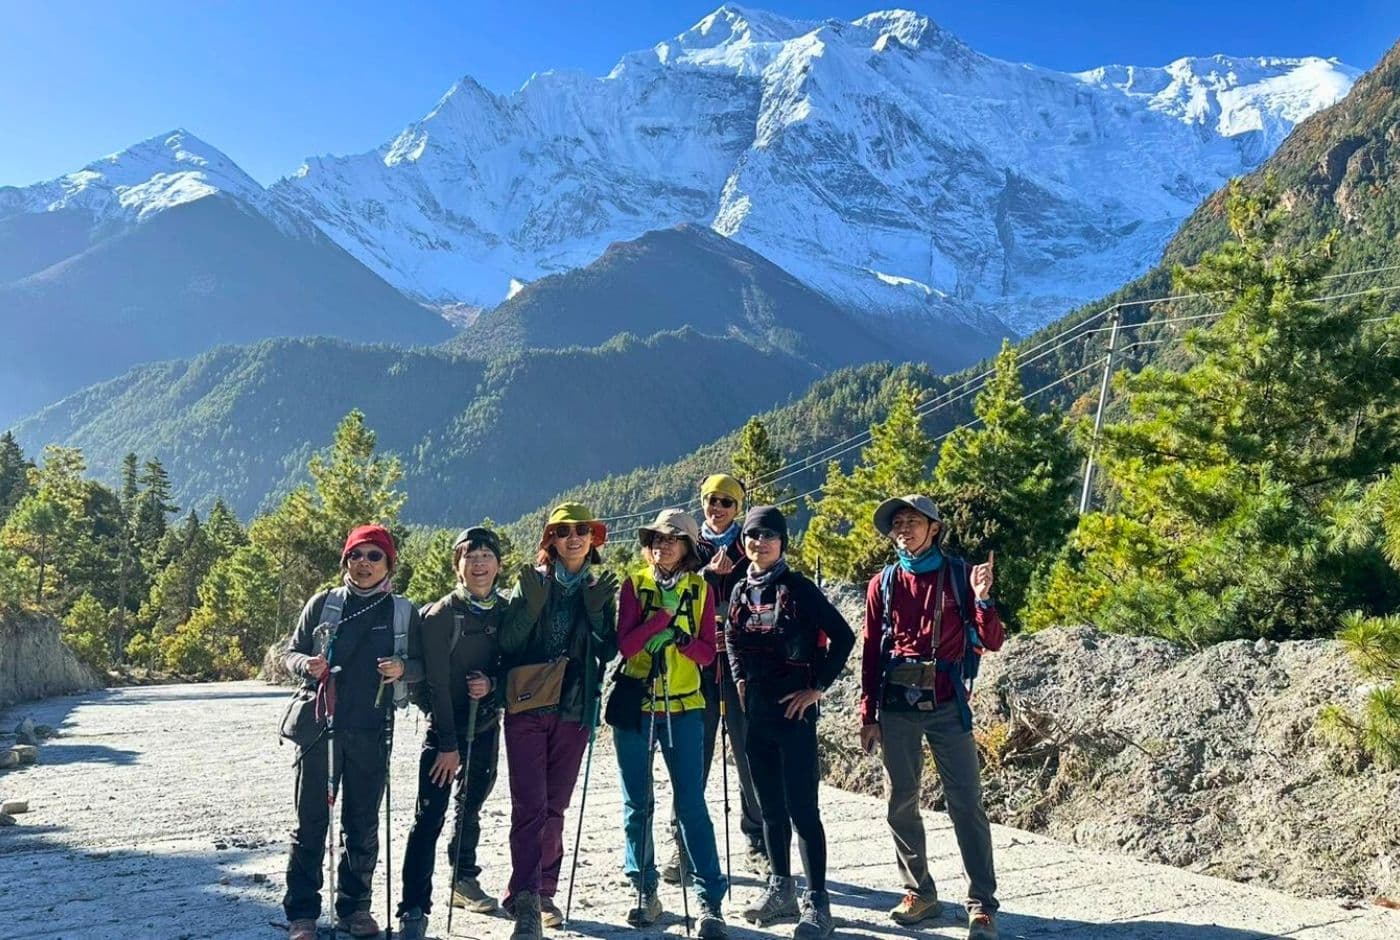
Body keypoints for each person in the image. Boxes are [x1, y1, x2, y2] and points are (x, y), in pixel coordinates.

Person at [860, 495, 1004, 940]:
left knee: (967, 804)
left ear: (934, 528)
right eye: (897, 523)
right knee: (900, 802)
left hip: (947, 705)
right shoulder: (882, 583)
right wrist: (868, 713)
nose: (903, 529)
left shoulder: (961, 576)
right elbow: (870, 651)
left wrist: (983, 600)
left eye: (913, 521)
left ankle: (981, 905)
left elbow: (993, 640)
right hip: (897, 706)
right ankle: (919, 892)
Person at [281, 524, 420, 940]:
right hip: (319, 729)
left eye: (375, 556)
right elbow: (291, 653)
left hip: (373, 730)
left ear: (389, 564)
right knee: (310, 822)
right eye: (356, 555)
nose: (364, 563)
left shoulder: (402, 612)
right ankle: (302, 914)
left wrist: (403, 669)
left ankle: (355, 909)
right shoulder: (323, 604)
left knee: (362, 824)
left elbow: (422, 667)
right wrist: (305, 665)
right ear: (346, 560)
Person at [725, 505, 854, 940]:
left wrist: (817, 687)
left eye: (768, 536)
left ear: (783, 542)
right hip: (757, 715)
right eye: (752, 535)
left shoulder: (799, 588)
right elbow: (731, 636)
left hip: (795, 715)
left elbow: (843, 636)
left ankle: (818, 902)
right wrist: (739, 679)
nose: (759, 543)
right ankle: (781, 889)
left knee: (803, 810)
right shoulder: (741, 589)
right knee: (770, 809)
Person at [499, 502, 618, 940]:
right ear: (550, 538)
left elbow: (607, 650)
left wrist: (598, 612)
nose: (573, 537)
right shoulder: (531, 583)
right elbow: (508, 645)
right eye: (563, 531)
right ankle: (527, 899)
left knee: (555, 808)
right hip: (528, 707)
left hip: (574, 709)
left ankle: (542, 891)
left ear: (592, 538)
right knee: (530, 805)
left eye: (581, 530)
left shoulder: (598, 588)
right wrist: (529, 608)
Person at [610, 508, 729, 938]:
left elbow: (707, 654)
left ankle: (709, 899)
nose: (662, 545)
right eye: (657, 538)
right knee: (637, 804)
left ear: (687, 548)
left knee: (691, 805)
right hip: (638, 706)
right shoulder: (634, 584)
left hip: (685, 707)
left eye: (672, 539)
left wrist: (679, 638)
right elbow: (626, 646)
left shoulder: (700, 589)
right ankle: (644, 889)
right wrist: (661, 621)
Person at [396, 526, 509, 939]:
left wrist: (492, 685)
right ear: (457, 566)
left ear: (498, 565)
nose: (479, 564)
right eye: (470, 556)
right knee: (429, 817)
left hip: (486, 724)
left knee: (471, 807)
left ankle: (463, 878)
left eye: (486, 556)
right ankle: (413, 907)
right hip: (446, 729)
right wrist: (447, 744)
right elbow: (436, 684)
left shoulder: (505, 610)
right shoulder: (440, 615)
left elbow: (512, 664)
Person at [660, 474, 767, 884]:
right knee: (692, 758)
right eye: (711, 500)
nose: (717, 508)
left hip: (743, 669)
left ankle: (757, 841)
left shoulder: (752, 544)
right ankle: (682, 843)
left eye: (726, 502)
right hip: (696, 667)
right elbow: (666, 593)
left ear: (738, 507)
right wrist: (705, 574)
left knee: (750, 755)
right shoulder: (688, 547)